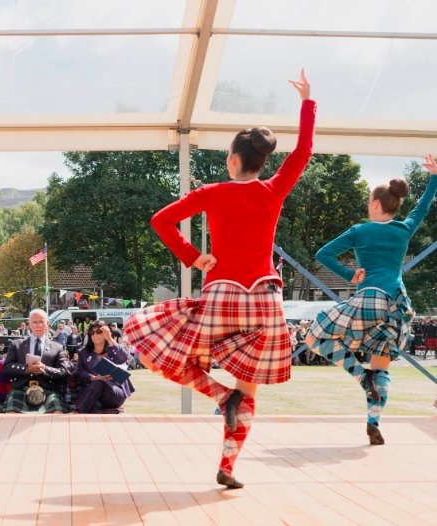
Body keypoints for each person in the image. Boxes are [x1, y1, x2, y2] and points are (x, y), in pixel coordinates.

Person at [125, 70, 314, 489]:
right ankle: (228, 466)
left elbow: (161, 221)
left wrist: (195, 258)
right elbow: (303, 151)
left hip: (222, 296)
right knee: (250, 389)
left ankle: (219, 395)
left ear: (232, 160)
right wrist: (306, 102)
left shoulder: (212, 193)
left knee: (156, 348)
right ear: (262, 163)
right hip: (264, 301)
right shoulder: (273, 190)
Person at [305, 157, 437, 446]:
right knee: (382, 366)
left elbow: (323, 254)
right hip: (396, 307)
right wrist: (434, 178)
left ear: (376, 204)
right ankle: (373, 423)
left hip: (369, 298)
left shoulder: (360, 230)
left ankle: (360, 378)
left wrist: (349, 274)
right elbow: (422, 208)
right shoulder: (404, 229)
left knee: (315, 335)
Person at [2, 309, 72, 414]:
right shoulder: (16, 344)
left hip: (48, 389)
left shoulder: (57, 347)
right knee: (11, 414)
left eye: (41, 322)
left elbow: (64, 371)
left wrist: (45, 369)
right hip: (21, 389)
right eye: (34, 322)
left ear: (47, 324)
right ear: (29, 324)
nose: (38, 325)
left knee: (57, 413)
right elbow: (6, 367)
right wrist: (26, 369)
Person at [75, 321, 134, 414]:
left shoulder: (112, 349)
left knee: (99, 383)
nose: (95, 334)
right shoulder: (84, 353)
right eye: (92, 332)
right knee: (94, 402)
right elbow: (79, 371)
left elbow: (123, 358)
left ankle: (77, 411)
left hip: (115, 391)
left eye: (99, 331)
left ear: (106, 333)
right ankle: (103, 411)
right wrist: (93, 377)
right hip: (93, 392)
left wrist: (110, 339)